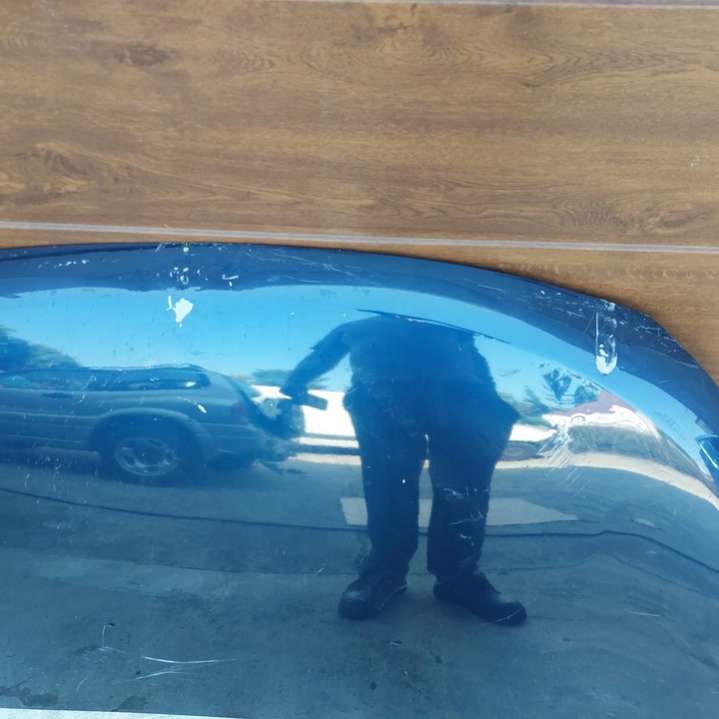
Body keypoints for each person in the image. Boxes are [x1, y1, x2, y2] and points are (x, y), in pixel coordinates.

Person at [282, 312, 526, 626]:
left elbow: (472, 356)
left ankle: (459, 577)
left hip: (459, 393)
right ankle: (385, 572)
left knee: (465, 487)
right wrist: (296, 382)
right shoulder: (362, 323)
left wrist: (490, 400)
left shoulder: (447, 321)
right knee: (387, 484)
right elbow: (323, 353)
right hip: (382, 392)